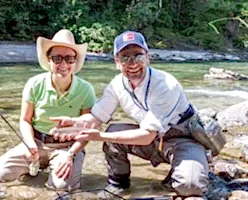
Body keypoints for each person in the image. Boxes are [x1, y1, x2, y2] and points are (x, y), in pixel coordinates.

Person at [51, 30, 209, 199]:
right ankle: (118, 185)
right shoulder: (116, 85)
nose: (132, 63)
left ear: (148, 57)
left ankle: (192, 164)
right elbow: (96, 117)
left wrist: (100, 136)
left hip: (180, 139)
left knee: (190, 187)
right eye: (125, 57)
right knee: (113, 133)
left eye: (138, 56)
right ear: (117, 62)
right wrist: (75, 122)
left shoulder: (166, 85)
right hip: (153, 140)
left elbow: (147, 136)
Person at [0, 29, 96, 191]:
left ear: (75, 61)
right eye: (57, 58)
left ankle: (53, 168)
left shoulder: (86, 90)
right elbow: (25, 120)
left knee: (62, 188)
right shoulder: (34, 84)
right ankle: (37, 164)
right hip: (35, 142)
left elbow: (88, 130)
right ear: (48, 60)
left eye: (69, 58)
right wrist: (30, 144)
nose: (63, 64)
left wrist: (71, 154)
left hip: (67, 147)